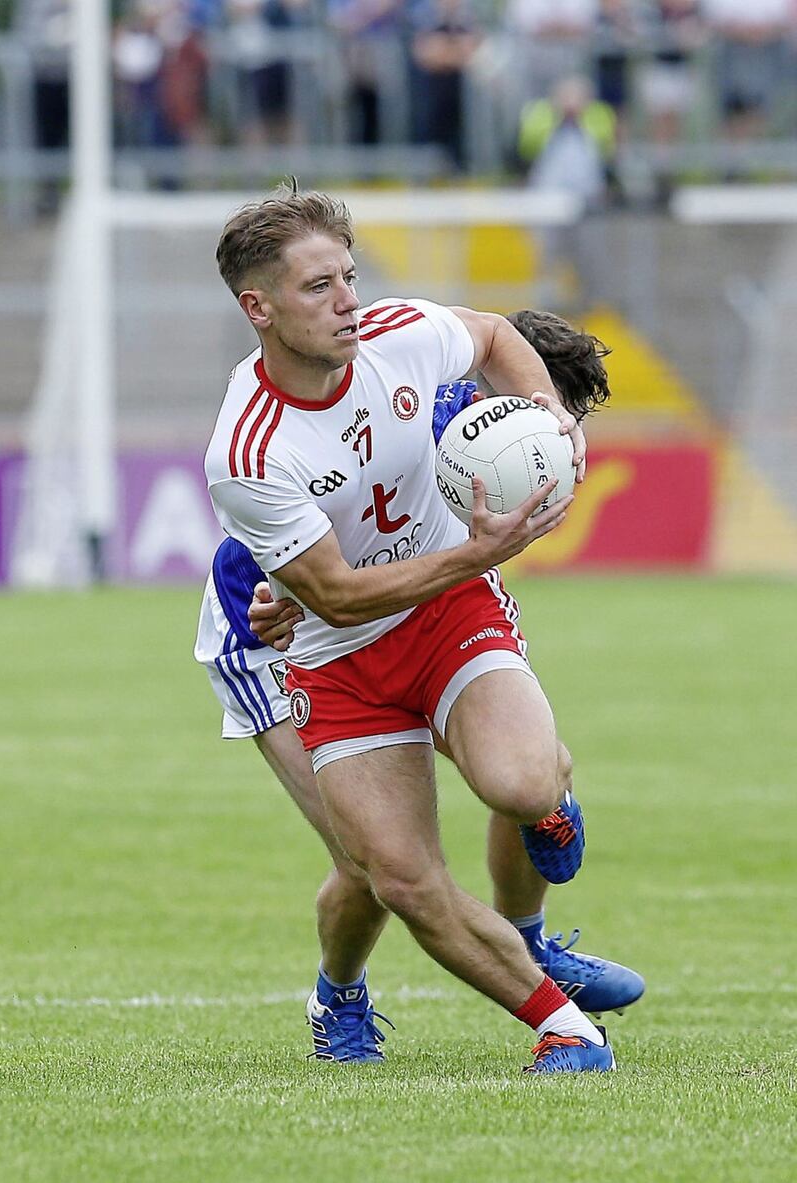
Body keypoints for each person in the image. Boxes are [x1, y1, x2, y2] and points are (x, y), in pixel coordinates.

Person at [204, 181, 619, 1073]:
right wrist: (474, 554)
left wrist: (549, 415)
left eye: (349, 276)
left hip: (427, 602)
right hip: (281, 630)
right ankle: (347, 998)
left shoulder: (413, 350)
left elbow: (500, 336)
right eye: (320, 287)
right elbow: (337, 594)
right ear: (259, 307)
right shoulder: (251, 452)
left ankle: (529, 927)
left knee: (520, 779)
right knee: (377, 869)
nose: (350, 301)